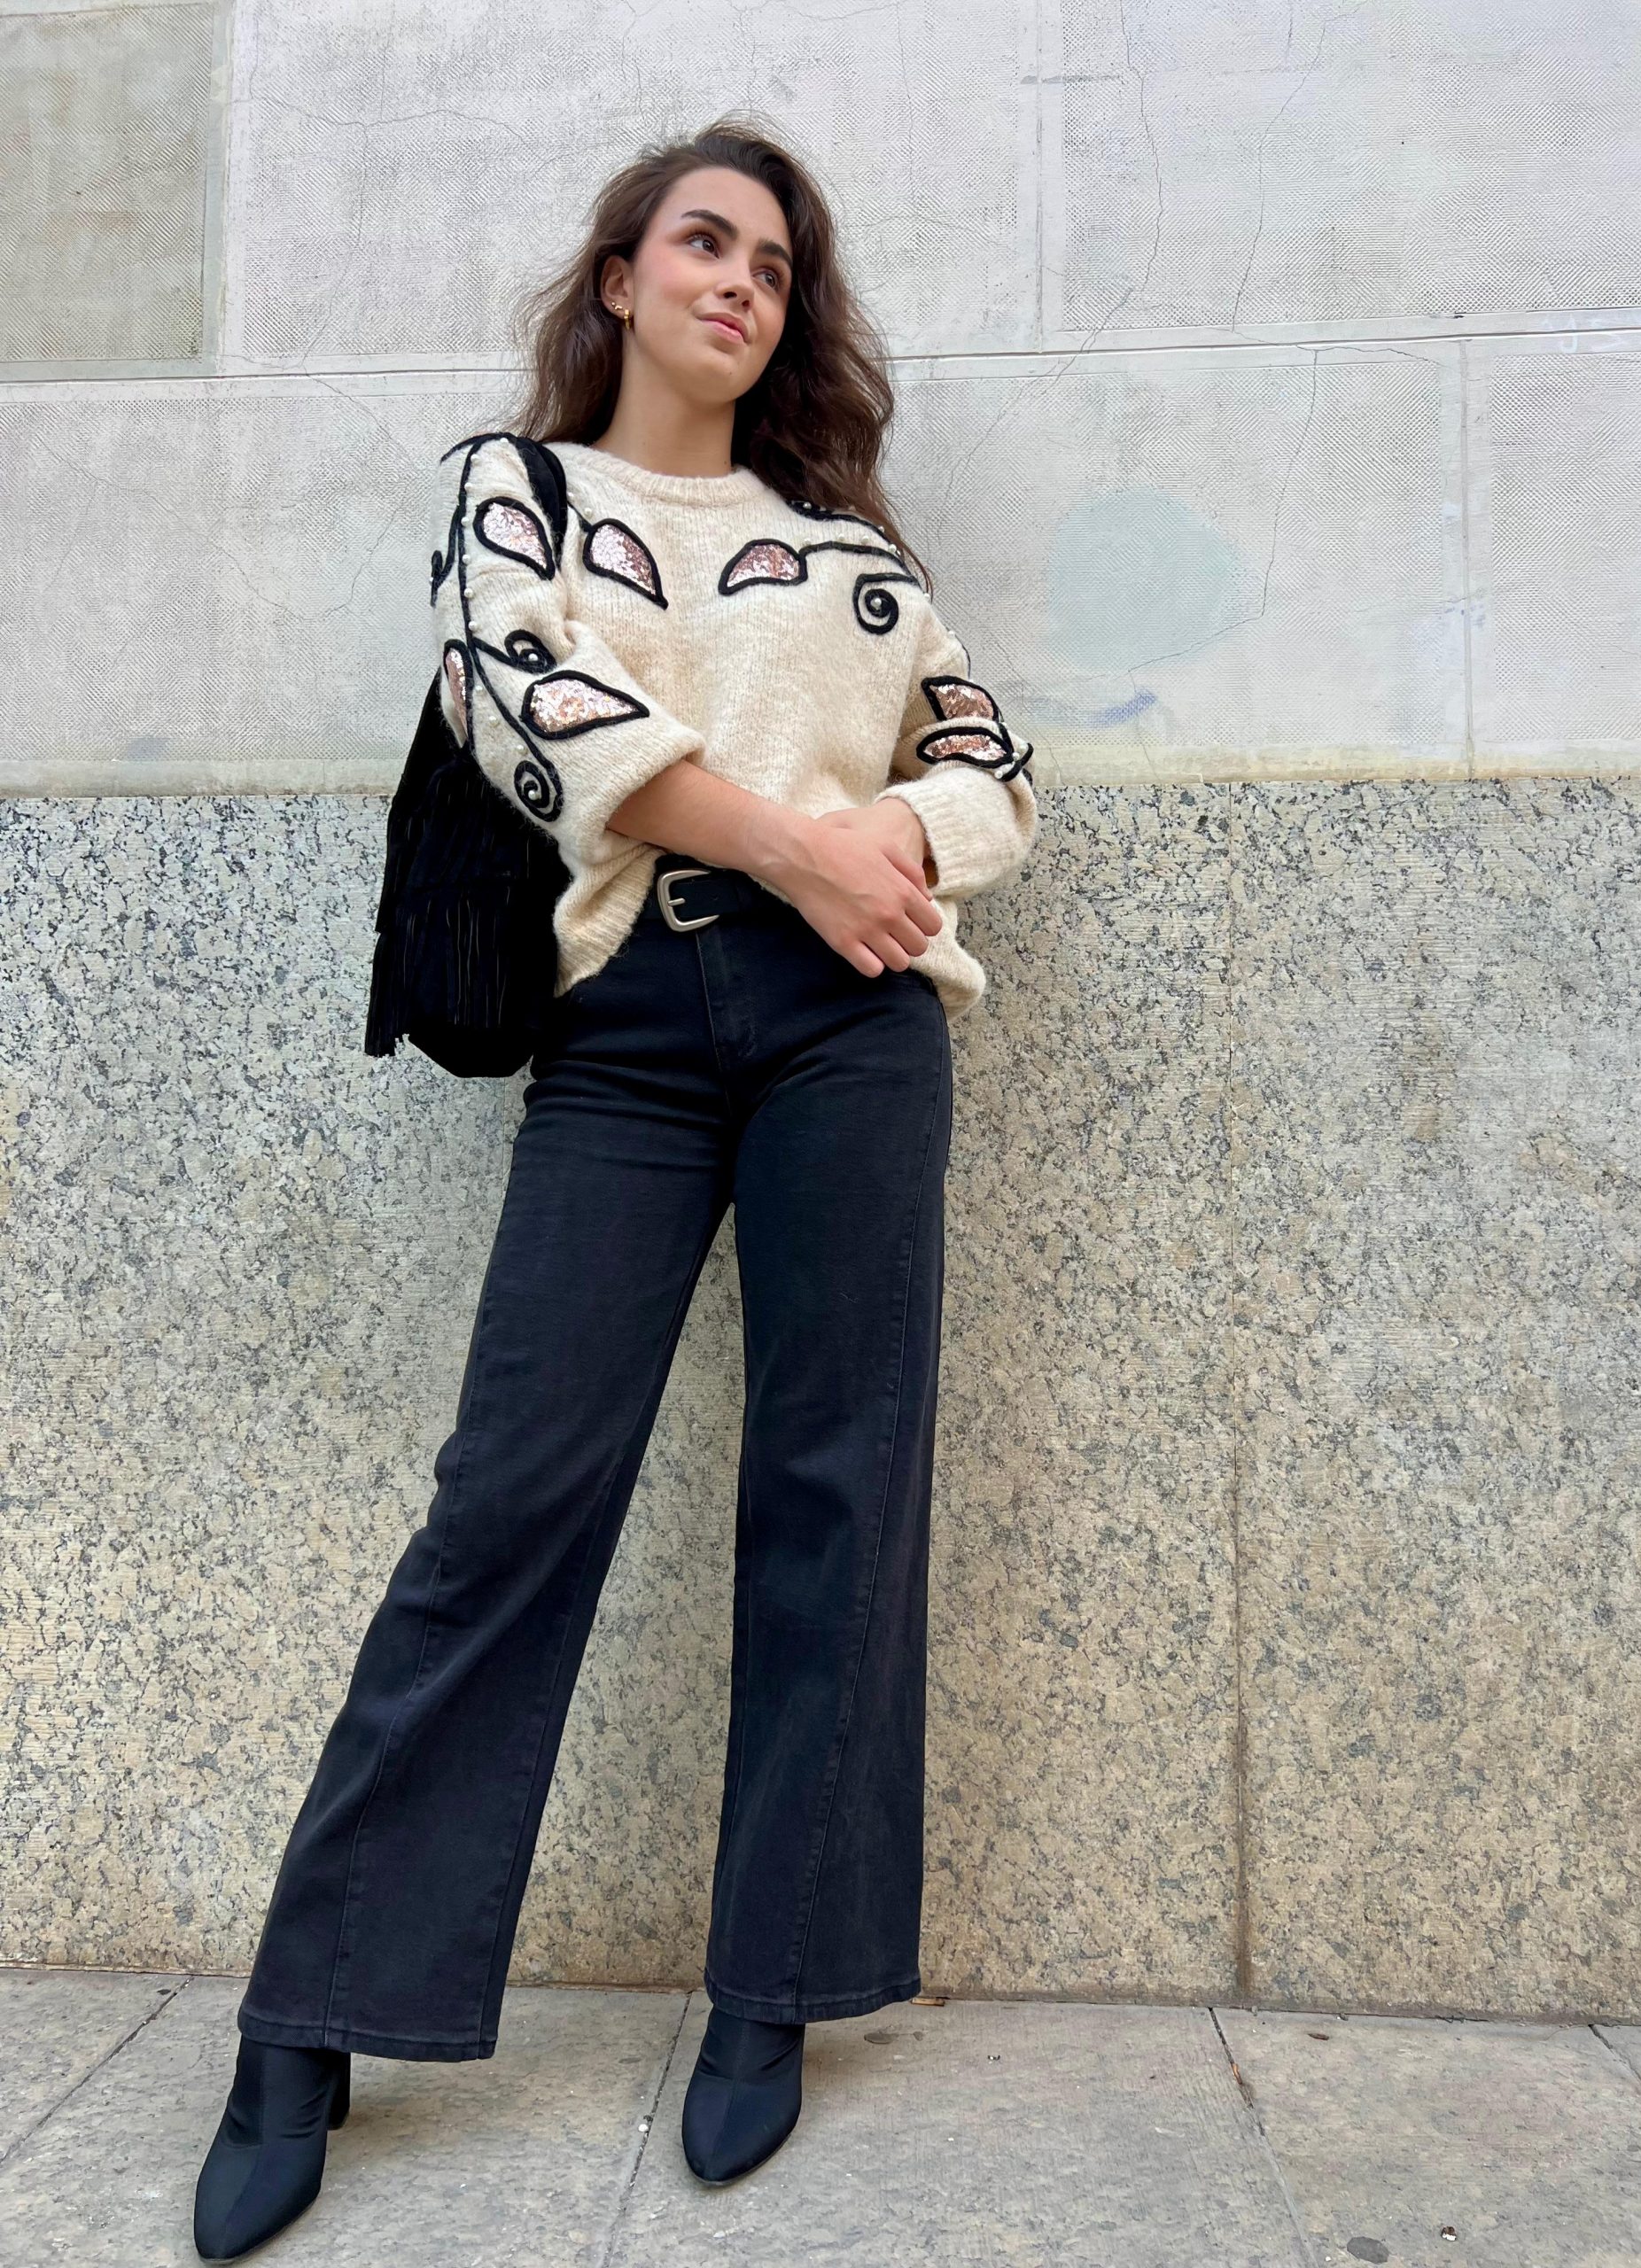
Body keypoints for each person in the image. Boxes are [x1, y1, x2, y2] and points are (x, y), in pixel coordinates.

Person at [193, 113, 1038, 2260]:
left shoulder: (844, 548)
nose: (741, 283)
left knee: (840, 1484)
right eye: (705, 243)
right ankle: (313, 2006)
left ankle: (775, 1979)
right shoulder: (523, 492)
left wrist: (886, 850)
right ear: (621, 278)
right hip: (632, 1028)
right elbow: (528, 705)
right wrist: (799, 840)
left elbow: (987, 760)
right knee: (512, 1491)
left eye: (776, 264)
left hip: (858, 1023)